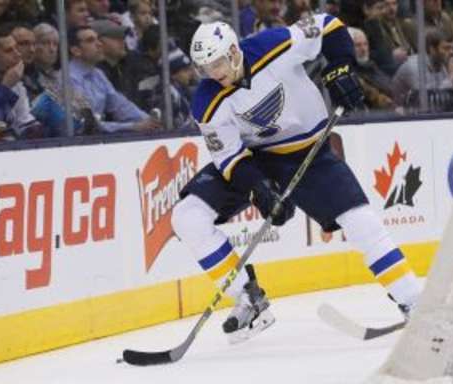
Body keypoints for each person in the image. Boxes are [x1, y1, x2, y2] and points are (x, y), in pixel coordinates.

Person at [170, 17, 422, 344]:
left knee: (361, 222)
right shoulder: (206, 101)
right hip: (254, 160)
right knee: (187, 216)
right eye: (205, 68)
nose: (213, 74)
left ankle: (414, 302)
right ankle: (249, 299)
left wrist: (340, 69)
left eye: (217, 63)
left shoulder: (274, 45)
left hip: (308, 153)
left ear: (233, 51)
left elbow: (329, 26)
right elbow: (230, 156)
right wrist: (259, 189)